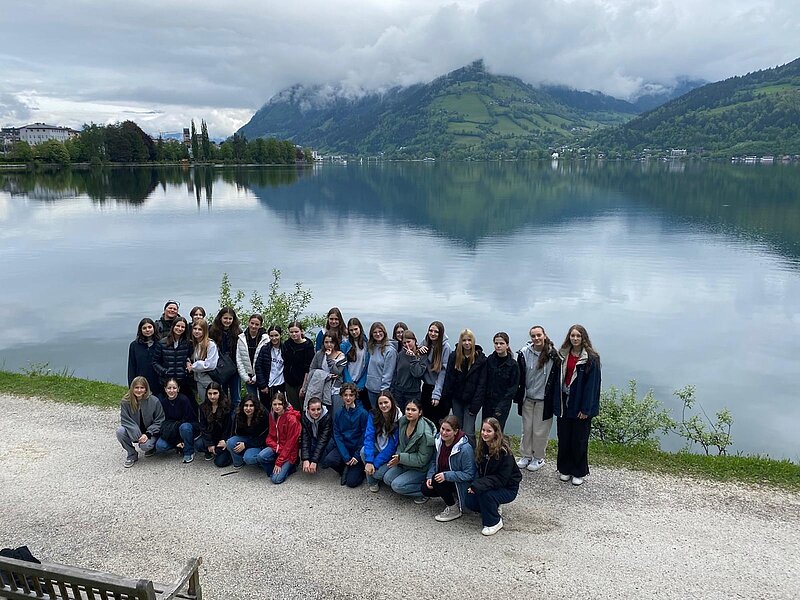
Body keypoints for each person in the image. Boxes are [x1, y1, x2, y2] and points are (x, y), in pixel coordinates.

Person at [556, 324, 601, 486]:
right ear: (569, 337)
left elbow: (593, 386)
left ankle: (578, 471)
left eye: (578, 336)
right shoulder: (562, 355)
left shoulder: (591, 358)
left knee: (579, 439)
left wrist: (586, 409)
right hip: (564, 401)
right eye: (572, 335)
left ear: (583, 338)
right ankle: (565, 468)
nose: (575, 338)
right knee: (564, 437)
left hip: (580, 403)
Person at [463, 417, 522, 536]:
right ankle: (492, 507)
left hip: (507, 487)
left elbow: (501, 479)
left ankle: (494, 522)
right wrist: (474, 485)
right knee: (469, 500)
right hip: (489, 483)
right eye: (483, 430)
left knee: (486, 495)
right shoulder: (483, 447)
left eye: (489, 431)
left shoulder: (504, 453)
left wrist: (478, 485)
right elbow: (479, 471)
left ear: (496, 432)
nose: (485, 434)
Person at [514, 325, 561, 472]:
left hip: (544, 400)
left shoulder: (553, 355)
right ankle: (526, 455)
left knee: (540, 431)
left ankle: (538, 457)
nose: (536, 338)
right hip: (527, 398)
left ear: (544, 335)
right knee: (527, 429)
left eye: (539, 335)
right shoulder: (524, 353)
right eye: (533, 336)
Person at [421, 415, 476, 521]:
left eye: (448, 430)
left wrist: (446, 475)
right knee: (425, 488)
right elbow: (434, 461)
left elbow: (469, 474)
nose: (444, 433)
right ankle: (452, 496)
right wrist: (430, 476)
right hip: (444, 477)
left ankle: (454, 509)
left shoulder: (465, 449)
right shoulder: (438, 440)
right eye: (442, 429)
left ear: (455, 431)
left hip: (460, 482)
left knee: (437, 481)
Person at [383, 398, 436, 502]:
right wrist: (397, 456)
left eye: (413, 410)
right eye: (408, 409)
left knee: (397, 486)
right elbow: (400, 444)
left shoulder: (425, 434)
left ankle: (425, 491)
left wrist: (400, 458)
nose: (410, 412)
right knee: (387, 479)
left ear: (420, 412)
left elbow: (422, 460)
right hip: (404, 463)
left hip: (420, 468)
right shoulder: (403, 422)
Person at [441, 329, 487, 447]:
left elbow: (481, 384)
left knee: (469, 431)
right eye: (464, 340)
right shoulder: (454, 356)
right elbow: (449, 379)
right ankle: (458, 452)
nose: (467, 343)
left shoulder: (480, 359)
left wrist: (476, 405)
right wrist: (447, 399)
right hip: (457, 399)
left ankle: (471, 454)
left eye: (469, 340)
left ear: (473, 341)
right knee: (457, 429)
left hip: (471, 401)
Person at [322, 383, 369, 487]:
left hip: (357, 449)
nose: (348, 398)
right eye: (345, 395)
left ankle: (358, 469)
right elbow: (337, 435)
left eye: (351, 395)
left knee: (351, 483)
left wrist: (357, 455)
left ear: (355, 396)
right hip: (345, 447)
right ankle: (345, 467)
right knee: (329, 460)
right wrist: (346, 456)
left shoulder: (363, 413)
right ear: (342, 396)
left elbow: (364, 435)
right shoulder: (338, 414)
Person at [116, 376, 165, 468]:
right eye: (136, 387)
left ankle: (152, 448)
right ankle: (132, 454)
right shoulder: (125, 401)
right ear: (132, 388)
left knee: (145, 446)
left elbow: (159, 420)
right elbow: (125, 420)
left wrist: (148, 434)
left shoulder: (154, 401)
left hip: (150, 433)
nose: (139, 390)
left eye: (142, 387)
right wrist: (136, 433)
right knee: (120, 431)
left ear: (146, 389)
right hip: (135, 432)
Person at [256, 393, 302, 484]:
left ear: (284, 404)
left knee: (276, 480)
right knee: (261, 457)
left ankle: (291, 466)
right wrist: (277, 448)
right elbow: (270, 436)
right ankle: (276, 469)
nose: (277, 407)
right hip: (277, 447)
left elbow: (290, 444)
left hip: (289, 452)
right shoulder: (272, 415)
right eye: (275, 404)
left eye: (280, 404)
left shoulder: (292, 419)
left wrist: (279, 461)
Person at [361, 390, 401, 492]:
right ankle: (372, 482)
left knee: (377, 474)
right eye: (380, 403)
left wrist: (374, 464)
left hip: (390, 453)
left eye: (386, 402)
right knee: (363, 451)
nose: (383, 405)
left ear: (391, 402)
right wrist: (369, 461)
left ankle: (374, 473)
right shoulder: (373, 414)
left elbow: (392, 447)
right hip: (378, 445)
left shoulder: (398, 418)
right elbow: (369, 437)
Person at [154, 378, 199, 463]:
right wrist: (176, 441)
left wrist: (179, 439)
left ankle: (188, 451)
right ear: (165, 389)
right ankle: (179, 446)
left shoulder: (184, 400)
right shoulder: (163, 403)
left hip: (186, 427)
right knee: (160, 446)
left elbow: (188, 419)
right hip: (171, 430)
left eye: (174, 388)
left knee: (184, 427)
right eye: (169, 388)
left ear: (178, 389)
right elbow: (164, 424)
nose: (171, 391)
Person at [303, 333, 347, 413]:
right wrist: (325, 375)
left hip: (335, 388)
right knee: (320, 411)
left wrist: (329, 358)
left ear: (335, 343)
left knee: (335, 412)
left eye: (331, 342)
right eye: (326, 342)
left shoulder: (341, 356)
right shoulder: (319, 354)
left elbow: (337, 372)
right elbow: (312, 369)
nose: (329, 345)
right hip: (320, 386)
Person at [418, 321, 451, 426]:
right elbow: (421, 366)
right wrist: (420, 352)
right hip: (427, 387)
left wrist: (436, 394)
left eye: (436, 332)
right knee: (425, 421)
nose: (432, 333)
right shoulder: (425, 343)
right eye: (430, 331)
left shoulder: (445, 347)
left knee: (438, 423)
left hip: (439, 390)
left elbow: (443, 372)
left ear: (441, 333)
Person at [210, 307, 243, 411]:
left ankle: (235, 419)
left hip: (234, 369)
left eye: (230, 318)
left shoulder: (238, 332)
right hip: (219, 369)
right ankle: (224, 418)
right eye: (225, 318)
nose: (227, 321)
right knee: (221, 397)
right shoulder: (213, 331)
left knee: (236, 398)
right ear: (220, 318)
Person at [152, 316, 193, 399]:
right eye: (178, 326)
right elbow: (155, 362)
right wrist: (164, 371)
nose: (180, 329)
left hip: (182, 381)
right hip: (166, 381)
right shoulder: (162, 343)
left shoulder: (188, 343)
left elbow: (190, 357)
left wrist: (187, 368)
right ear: (173, 326)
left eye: (183, 327)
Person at [484, 332, 519, 430]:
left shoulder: (513, 365)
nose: (498, 346)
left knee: (497, 430)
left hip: (503, 404)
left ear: (507, 345)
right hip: (488, 402)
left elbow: (513, 388)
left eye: (501, 343)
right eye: (496, 343)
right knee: (485, 429)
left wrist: (501, 406)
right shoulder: (489, 360)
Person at [224, 395, 269, 469]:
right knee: (230, 442)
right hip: (245, 438)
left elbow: (263, 438)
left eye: (251, 406)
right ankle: (239, 462)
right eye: (246, 405)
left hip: (259, 442)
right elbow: (233, 432)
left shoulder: (263, 415)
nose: (248, 408)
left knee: (249, 458)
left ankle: (259, 458)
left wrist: (246, 445)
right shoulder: (238, 414)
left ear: (256, 406)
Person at [281, 320, 315, 412]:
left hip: (302, 382)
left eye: (296, 331)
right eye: (291, 332)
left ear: (301, 331)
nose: (294, 334)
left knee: (304, 408)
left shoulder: (308, 345)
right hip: (289, 382)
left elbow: (308, 368)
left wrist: (304, 387)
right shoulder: (287, 344)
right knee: (293, 409)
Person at [197, 382, 233, 467]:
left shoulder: (227, 406)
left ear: (220, 393)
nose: (212, 396)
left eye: (215, 393)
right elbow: (203, 427)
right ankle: (211, 450)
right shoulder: (203, 407)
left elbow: (229, 427)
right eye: (210, 393)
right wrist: (209, 443)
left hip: (224, 437)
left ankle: (227, 453)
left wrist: (225, 440)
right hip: (212, 437)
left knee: (220, 462)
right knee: (198, 444)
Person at [390, 330, 426, 410]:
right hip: (399, 392)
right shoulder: (400, 355)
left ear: (414, 341)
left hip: (413, 393)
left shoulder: (421, 355)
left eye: (409, 342)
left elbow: (417, 373)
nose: (407, 345)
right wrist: (393, 390)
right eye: (404, 343)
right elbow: (395, 373)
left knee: (411, 414)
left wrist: (413, 358)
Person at [186, 319, 219, 404]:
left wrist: (193, 366)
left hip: (209, 381)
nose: (197, 331)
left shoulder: (210, 344)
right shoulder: (195, 344)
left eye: (200, 329)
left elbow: (210, 364)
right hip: (199, 380)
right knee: (204, 405)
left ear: (205, 331)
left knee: (213, 404)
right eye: (195, 329)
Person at [365, 322, 397, 409]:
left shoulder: (390, 351)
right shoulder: (371, 347)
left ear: (384, 332)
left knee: (383, 413)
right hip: (370, 388)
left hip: (381, 391)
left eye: (380, 331)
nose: (378, 334)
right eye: (375, 332)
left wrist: (384, 391)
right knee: (374, 412)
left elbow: (388, 373)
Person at [237, 313, 268, 400]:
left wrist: (256, 377)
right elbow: (239, 359)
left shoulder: (265, 339)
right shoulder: (241, 338)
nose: (254, 326)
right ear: (248, 322)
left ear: (260, 326)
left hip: (262, 376)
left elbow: (266, 361)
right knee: (252, 401)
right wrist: (245, 377)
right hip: (248, 377)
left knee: (264, 401)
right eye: (252, 323)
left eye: (257, 324)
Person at [300, 397, 333, 475]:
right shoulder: (304, 417)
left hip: (326, 441)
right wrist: (305, 459)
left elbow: (323, 440)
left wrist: (314, 461)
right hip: (313, 439)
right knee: (308, 458)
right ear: (308, 410)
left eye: (318, 409)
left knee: (324, 462)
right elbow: (305, 438)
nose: (316, 412)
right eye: (313, 410)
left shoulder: (327, 417)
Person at [255, 325, 287, 406]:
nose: (274, 338)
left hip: (281, 385)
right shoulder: (264, 349)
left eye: (276, 335)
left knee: (280, 407)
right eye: (271, 336)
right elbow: (258, 367)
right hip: (267, 385)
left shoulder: (285, 349)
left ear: (280, 335)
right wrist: (262, 385)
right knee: (266, 408)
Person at [127, 317, 160, 394]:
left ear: (154, 328)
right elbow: (132, 366)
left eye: (150, 327)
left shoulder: (160, 344)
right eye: (144, 328)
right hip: (140, 383)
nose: (147, 330)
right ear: (140, 330)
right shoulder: (134, 345)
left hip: (157, 383)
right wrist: (131, 385)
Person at [343, 317, 370, 409]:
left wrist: (361, 383)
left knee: (362, 408)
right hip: (348, 381)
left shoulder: (366, 344)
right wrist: (349, 382)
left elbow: (367, 365)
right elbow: (343, 366)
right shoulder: (345, 345)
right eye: (351, 330)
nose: (354, 332)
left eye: (356, 329)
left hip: (361, 382)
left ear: (360, 328)